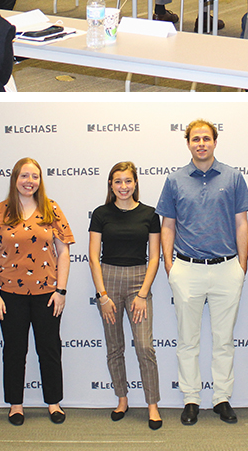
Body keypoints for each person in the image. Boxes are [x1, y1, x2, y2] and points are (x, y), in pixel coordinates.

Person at [155, 119, 248, 426]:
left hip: (227, 268)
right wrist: (170, 266)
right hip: (186, 269)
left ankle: (222, 398)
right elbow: (167, 225)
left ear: (214, 142)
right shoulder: (174, 180)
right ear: (188, 143)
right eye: (195, 139)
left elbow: (241, 223)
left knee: (223, 341)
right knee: (188, 340)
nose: (201, 143)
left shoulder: (233, 177)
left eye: (206, 138)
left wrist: (242, 266)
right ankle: (191, 400)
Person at [0, 158, 75, 425]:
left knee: (50, 348)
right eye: (24, 176)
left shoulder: (51, 209)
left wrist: (61, 290)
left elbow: (64, 252)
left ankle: (54, 402)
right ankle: (16, 404)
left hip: (47, 294)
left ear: (40, 180)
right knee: (14, 351)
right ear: (14, 179)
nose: (29, 181)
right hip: (9, 294)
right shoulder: (0, 211)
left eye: (34, 176)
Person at [88, 162, 162, 430]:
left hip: (138, 283)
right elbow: (93, 258)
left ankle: (152, 404)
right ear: (111, 185)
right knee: (115, 346)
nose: (123, 186)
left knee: (144, 346)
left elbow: (155, 258)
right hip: (108, 282)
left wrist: (142, 294)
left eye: (128, 181)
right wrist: (102, 295)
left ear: (135, 183)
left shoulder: (150, 214)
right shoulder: (100, 214)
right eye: (117, 181)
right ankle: (122, 399)